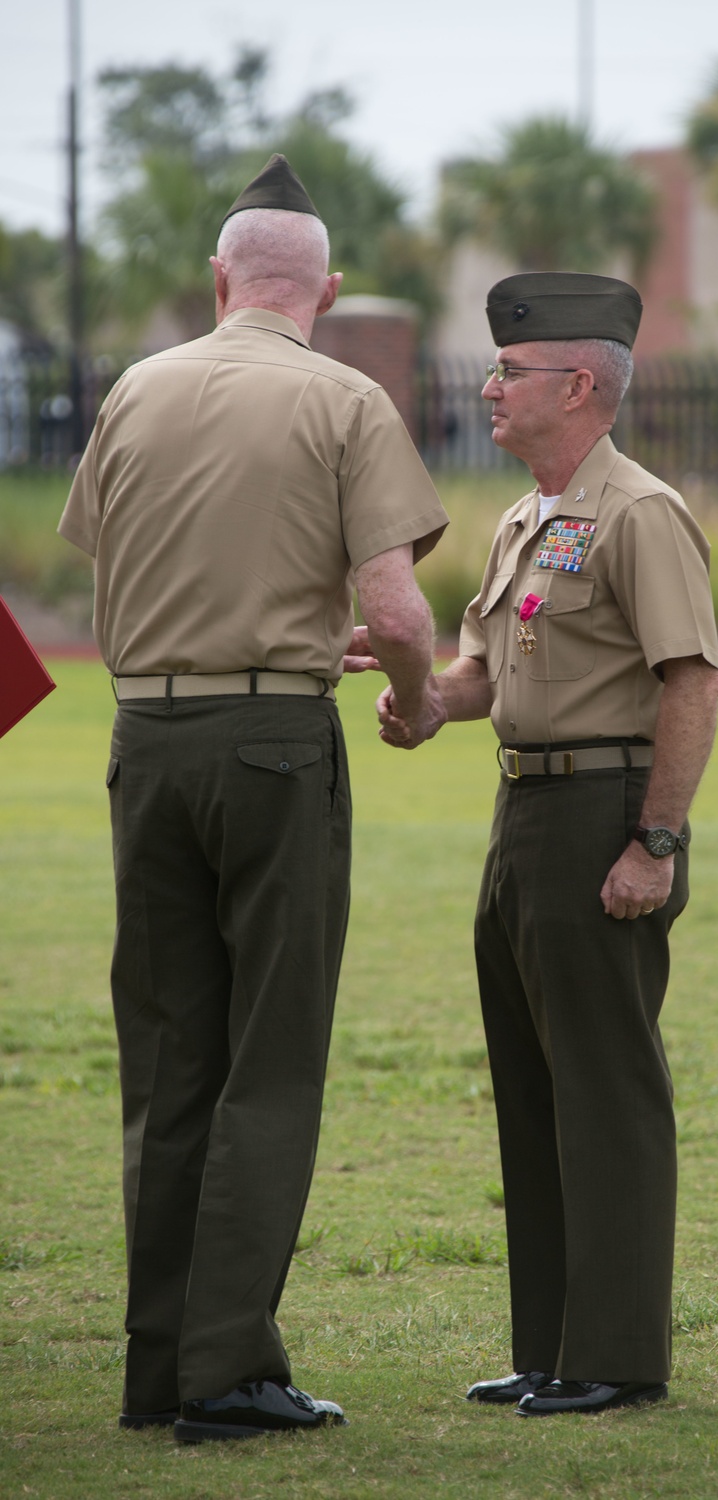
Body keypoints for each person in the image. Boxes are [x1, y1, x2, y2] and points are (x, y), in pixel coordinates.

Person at [57, 155, 448, 1442]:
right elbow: (394, 611)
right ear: (323, 291)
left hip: (143, 740)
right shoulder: (345, 399)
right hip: (276, 743)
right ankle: (227, 1375)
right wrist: (417, 694)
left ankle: (158, 1365)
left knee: (170, 1061)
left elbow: (104, 566)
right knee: (268, 1063)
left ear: (217, 279)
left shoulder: (132, 391)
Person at [378, 273, 718, 1417]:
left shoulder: (639, 513)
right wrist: (430, 702)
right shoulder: (529, 517)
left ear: (577, 385)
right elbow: (487, 670)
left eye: (509, 372)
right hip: (522, 815)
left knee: (605, 1088)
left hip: (601, 815)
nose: (488, 385)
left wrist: (655, 842)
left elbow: (689, 684)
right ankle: (553, 1346)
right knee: (531, 1090)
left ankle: (616, 1355)